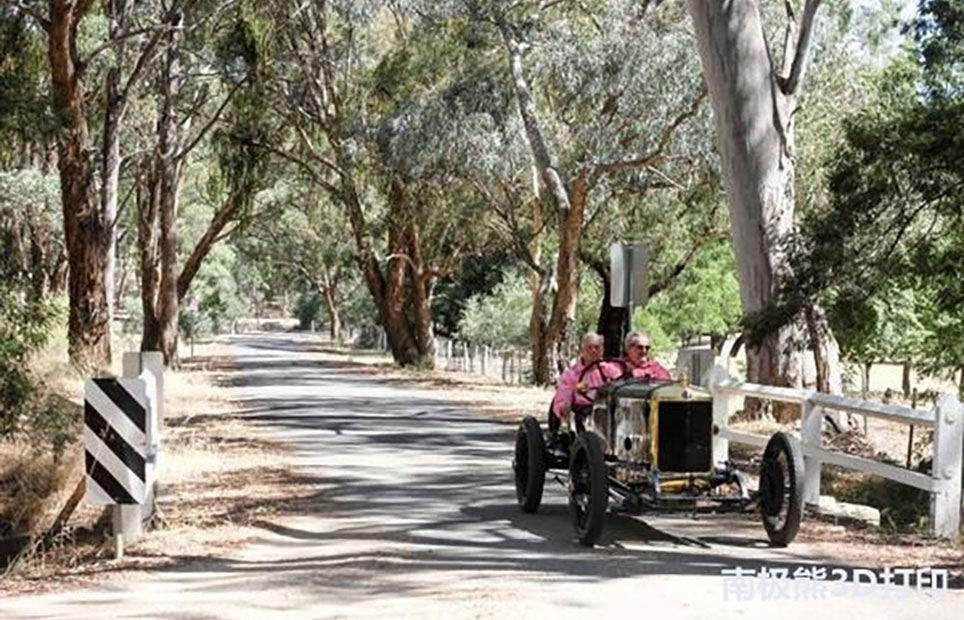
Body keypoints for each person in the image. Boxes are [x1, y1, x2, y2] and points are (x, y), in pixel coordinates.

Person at [551, 332, 609, 419]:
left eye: (597, 347)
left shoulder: (612, 370)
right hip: (584, 414)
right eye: (589, 347)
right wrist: (564, 407)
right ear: (582, 350)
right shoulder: (571, 375)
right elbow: (563, 398)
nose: (593, 351)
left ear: (602, 350)